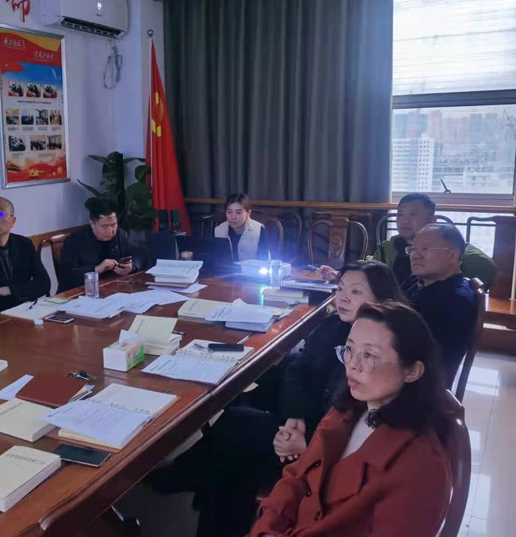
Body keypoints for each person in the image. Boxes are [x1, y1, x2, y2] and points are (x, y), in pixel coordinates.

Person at [149, 261, 405, 536]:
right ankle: (196, 473)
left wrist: (308, 441)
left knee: (236, 433)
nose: (342, 298)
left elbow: (358, 423)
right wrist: (295, 417)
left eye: (355, 292)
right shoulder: (338, 324)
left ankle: (195, 478)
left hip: (324, 451)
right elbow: (299, 365)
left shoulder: (381, 352)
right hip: (309, 420)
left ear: (381, 299)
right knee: (243, 397)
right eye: (340, 288)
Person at [252, 301, 451, 537]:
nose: (352, 366)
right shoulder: (350, 409)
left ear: (412, 371)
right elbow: (297, 476)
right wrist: (267, 529)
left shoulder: (421, 467)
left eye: (369, 355)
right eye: (350, 350)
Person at [402, 223, 477, 387]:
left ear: (452, 254)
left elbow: (422, 353)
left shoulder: (455, 300)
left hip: (418, 384)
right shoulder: (417, 281)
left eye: (425, 249)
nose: (415, 255)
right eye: (412, 249)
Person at [373, 192, 496, 285]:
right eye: (400, 214)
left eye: (413, 214)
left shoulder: (451, 250)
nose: (404, 221)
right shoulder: (387, 248)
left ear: (432, 220)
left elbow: (485, 267)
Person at [58, 198, 136, 292]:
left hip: (114, 288)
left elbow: (140, 256)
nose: (110, 231)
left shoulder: (121, 235)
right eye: (105, 226)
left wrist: (131, 268)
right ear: (92, 224)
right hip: (82, 292)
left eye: (113, 225)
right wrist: (96, 269)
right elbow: (67, 277)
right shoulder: (74, 241)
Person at [214, 192, 269, 261]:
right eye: (229, 212)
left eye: (238, 212)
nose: (233, 217)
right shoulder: (219, 230)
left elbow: (264, 260)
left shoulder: (259, 229)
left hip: (251, 268)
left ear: (248, 213)